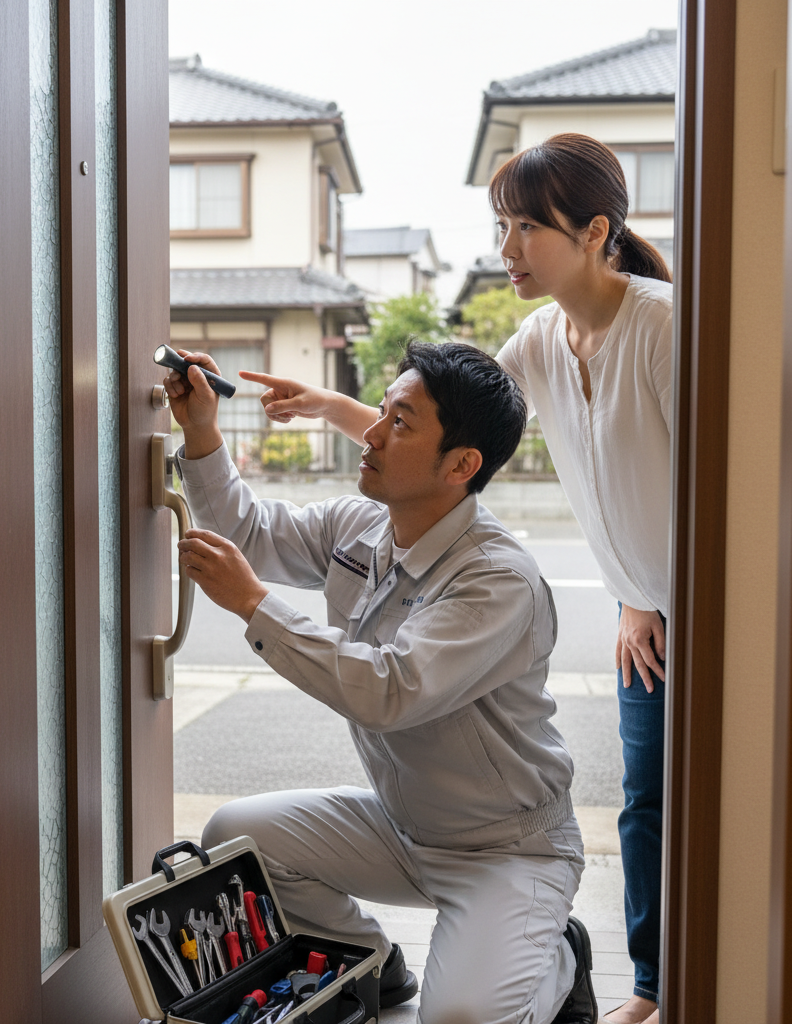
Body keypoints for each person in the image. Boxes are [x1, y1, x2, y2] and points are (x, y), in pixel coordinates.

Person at [247, 134, 671, 1024]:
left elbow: (721, 491)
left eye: (526, 228)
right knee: (647, 805)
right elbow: (450, 441)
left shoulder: (666, 326)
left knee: (699, 800)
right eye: (501, 226)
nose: (506, 249)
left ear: (596, 231)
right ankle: (644, 981)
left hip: (716, 610)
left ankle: (648, 978)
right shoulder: (543, 336)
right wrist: (330, 407)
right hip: (651, 612)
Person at [164, 341, 598, 1024]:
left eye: (399, 421)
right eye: (383, 412)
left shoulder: (496, 580)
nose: (368, 432)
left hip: (506, 850)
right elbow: (247, 531)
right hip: (403, 827)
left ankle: (559, 958)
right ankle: (370, 959)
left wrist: (254, 605)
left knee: (460, 1019)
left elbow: (391, 691)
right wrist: (201, 430)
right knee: (235, 837)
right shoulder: (361, 525)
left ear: (461, 465)